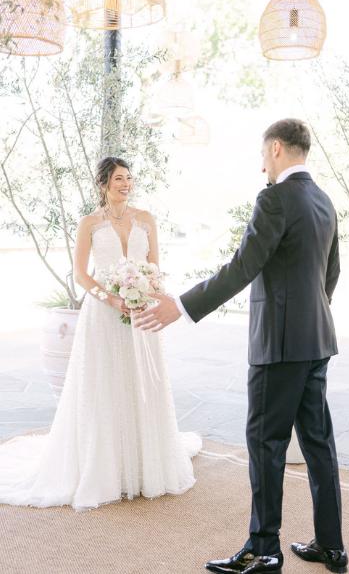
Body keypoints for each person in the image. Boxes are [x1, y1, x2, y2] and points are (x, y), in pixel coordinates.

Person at [135, 119, 346, 574]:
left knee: (266, 443)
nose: (261, 164)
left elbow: (243, 266)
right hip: (317, 339)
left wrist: (184, 306)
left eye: (261, 154)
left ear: (274, 149)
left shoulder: (275, 198)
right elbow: (331, 273)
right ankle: (332, 546)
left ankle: (264, 550)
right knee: (318, 443)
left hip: (280, 345)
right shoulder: (323, 200)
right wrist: (311, 318)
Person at [0, 157, 200, 509]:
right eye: (119, 178)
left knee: (140, 382)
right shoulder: (89, 224)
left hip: (141, 313)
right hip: (102, 316)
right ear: (104, 184)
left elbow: (155, 270)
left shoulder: (146, 220)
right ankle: (105, 468)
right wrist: (111, 298)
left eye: (129, 178)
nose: (126, 184)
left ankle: (142, 466)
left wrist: (145, 293)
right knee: (104, 383)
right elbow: (81, 275)